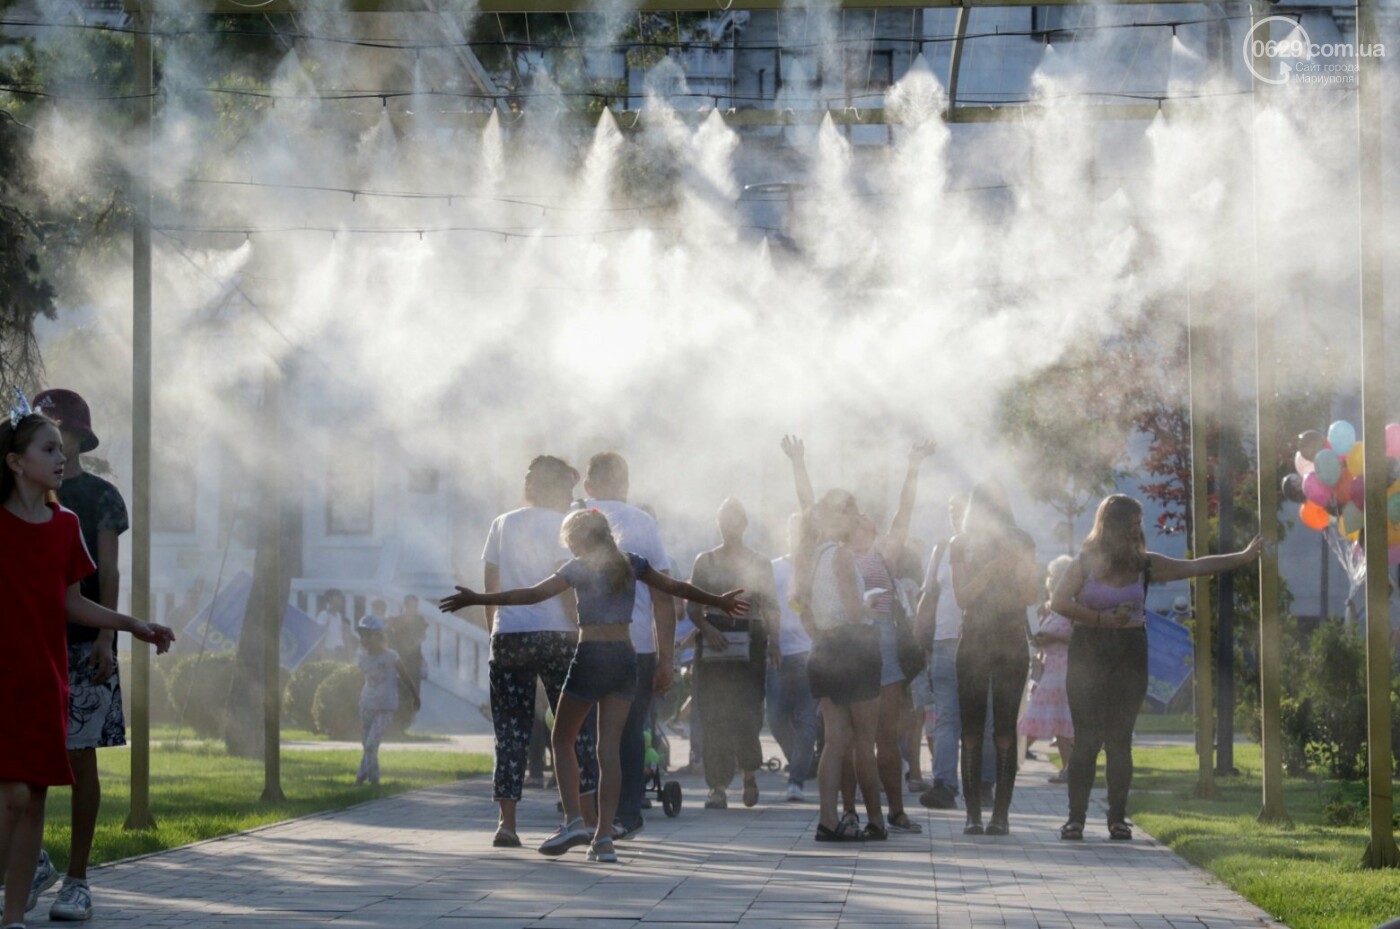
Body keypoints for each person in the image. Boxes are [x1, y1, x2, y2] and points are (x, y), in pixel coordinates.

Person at [440, 508, 747, 864]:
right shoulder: (633, 563)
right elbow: (676, 588)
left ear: (583, 538)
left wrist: (479, 599)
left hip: (591, 656)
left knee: (561, 738)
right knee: (609, 749)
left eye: (570, 540)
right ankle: (603, 838)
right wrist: (718, 601)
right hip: (624, 658)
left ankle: (573, 821)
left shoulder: (579, 567)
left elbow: (531, 595)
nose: (569, 547)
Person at [0, 400, 174, 929]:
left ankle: (11, 920)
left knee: (34, 803)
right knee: (13, 795)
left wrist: (132, 625)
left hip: (46, 679)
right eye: (47, 448)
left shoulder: (65, 524)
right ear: (14, 462)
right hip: (3, 677)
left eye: (61, 446)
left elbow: (72, 601)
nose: (60, 457)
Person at [1051, 494, 1262, 841]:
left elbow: (1194, 566)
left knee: (1120, 741)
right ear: (1113, 526)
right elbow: (1058, 601)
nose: (1138, 530)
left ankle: (1117, 819)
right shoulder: (1084, 563)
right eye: (1131, 524)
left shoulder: (1144, 565)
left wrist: (1242, 556)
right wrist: (1101, 618)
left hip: (1130, 653)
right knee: (1087, 740)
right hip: (1089, 652)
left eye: (1139, 523)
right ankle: (1075, 819)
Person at [783, 436, 935, 835]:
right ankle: (859, 814)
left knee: (870, 738)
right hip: (857, 642)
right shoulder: (836, 552)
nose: (865, 518)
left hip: (862, 644)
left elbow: (905, 512)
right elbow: (809, 506)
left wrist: (914, 467)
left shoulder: (874, 552)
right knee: (853, 740)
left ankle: (878, 813)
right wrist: (799, 464)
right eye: (857, 514)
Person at [25, 389, 129, 922]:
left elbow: (107, 572)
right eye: (43, 434)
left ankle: (78, 878)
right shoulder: (22, 494)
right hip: (28, 642)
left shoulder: (98, 497)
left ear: (79, 438)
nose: (55, 445)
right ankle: (32, 862)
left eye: (60, 433)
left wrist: (106, 640)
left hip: (83, 641)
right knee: (23, 764)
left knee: (79, 759)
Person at [479, 456, 596, 848]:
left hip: (509, 634)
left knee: (509, 729)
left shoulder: (502, 522)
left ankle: (506, 823)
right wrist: (581, 633)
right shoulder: (562, 526)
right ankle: (581, 815)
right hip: (557, 636)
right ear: (558, 488)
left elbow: (490, 586)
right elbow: (567, 586)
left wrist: (492, 633)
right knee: (572, 727)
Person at [578, 453, 675, 840]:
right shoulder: (644, 522)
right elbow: (665, 597)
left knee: (583, 732)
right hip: (635, 645)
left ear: (588, 486)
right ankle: (628, 811)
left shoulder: (572, 519)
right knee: (630, 732)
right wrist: (666, 657)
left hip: (584, 642)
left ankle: (584, 812)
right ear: (627, 484)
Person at [795, 488, 885, 842]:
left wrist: (819, 632)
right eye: (853, 512)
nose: (856, 518)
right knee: (865, 741)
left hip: (825, 649)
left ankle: (828, 819)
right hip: (854, 648)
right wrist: (870, 607)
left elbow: (802, 609)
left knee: (834, 741)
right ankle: (876, 819)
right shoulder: (843, 556)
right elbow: (852, 610)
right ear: (840, 516)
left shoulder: (813, 556)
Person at [950, 480, 1039, 836]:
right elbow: (962, 598)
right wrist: (989, 570)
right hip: (973, 641)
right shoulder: (961, 543)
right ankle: (972, 814)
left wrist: (1019, 566)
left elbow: (1031, 594)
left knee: (1005, 731)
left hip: (1010, 641)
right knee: (970, 732)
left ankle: (1000, 815)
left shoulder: (1023, 540)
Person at [689, 498, 779, 810]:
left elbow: (770, 606)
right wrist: (707, 629)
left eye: (734, 520)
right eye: (723, 520)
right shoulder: (706, 561)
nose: (729, 527)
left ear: (744, 525)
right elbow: (692, 606)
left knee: (748, 712)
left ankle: (750, 773)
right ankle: (717, 787)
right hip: (714, 643)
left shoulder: (759, 563)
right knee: (713, 715)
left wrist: (776, 643)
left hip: (750, 640)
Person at [914, 493, 994, 812]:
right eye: (950, 510)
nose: (954, 516)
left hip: (982, 642)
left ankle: (984, 784)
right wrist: (919, 638)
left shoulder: (992, 548)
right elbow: (929, 594)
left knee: (984, 718)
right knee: (947, 717)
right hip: (946, 641)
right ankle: (945, 785)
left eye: (959, 510)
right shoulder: (943, 548)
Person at [766, 514, 820, 802]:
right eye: (794, 532)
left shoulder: (816, 569)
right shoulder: (774, 569)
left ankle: (796, 779)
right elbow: (767, 608)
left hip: (809, 652)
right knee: (775, 718)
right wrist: (771, 640)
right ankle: (801, 760)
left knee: (807, 719)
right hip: (778, 652)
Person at [1018, 556, 1075, 784]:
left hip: (1067, 671)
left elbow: (1079, 636)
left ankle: (1011, 760)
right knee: (1058, 724)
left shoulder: (1071, 605)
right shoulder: (1051, 608)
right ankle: (1068, 769)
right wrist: (1041, 641)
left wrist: (1051, 637)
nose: (1048, 580)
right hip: (1051, 671)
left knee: (1058, 722)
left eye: (1052, 576)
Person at [354, 615, 420, 786]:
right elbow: (357, 677)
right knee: (368, 745)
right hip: (366, 704)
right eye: (362, 636)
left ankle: (360, 777)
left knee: (370, 744)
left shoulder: (391, 656)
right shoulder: (361, 657)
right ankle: (374, 780)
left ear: (379, 636)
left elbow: (406, 677)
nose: (365, 640)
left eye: (369, 635)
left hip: (385, 706)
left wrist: (415, 696)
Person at [315, 589, 352, 662]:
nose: (340, 600)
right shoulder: (324, 615)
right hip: (328, 652)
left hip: (339, 652)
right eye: (338, 598)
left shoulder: (339, 616)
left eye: (341, 598)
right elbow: (319, 635)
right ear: (330, 599)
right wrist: (322, 652)